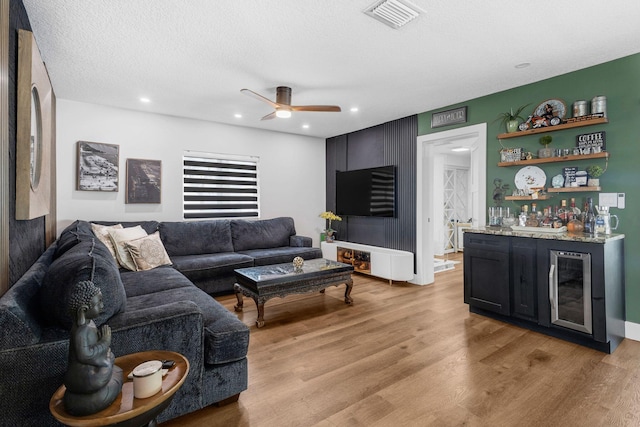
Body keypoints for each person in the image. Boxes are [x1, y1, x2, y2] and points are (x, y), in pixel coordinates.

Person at [63, 280, 123, 416]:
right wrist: (105, 341)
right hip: (82, 376)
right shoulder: (81, 331)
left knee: (115, 366)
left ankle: (108, 376)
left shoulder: (89, 324)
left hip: (92, 368)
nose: (102, 306)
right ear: (84, 310)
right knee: (111, 368)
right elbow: (84, 355)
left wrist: (103, 350)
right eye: (98, 303)